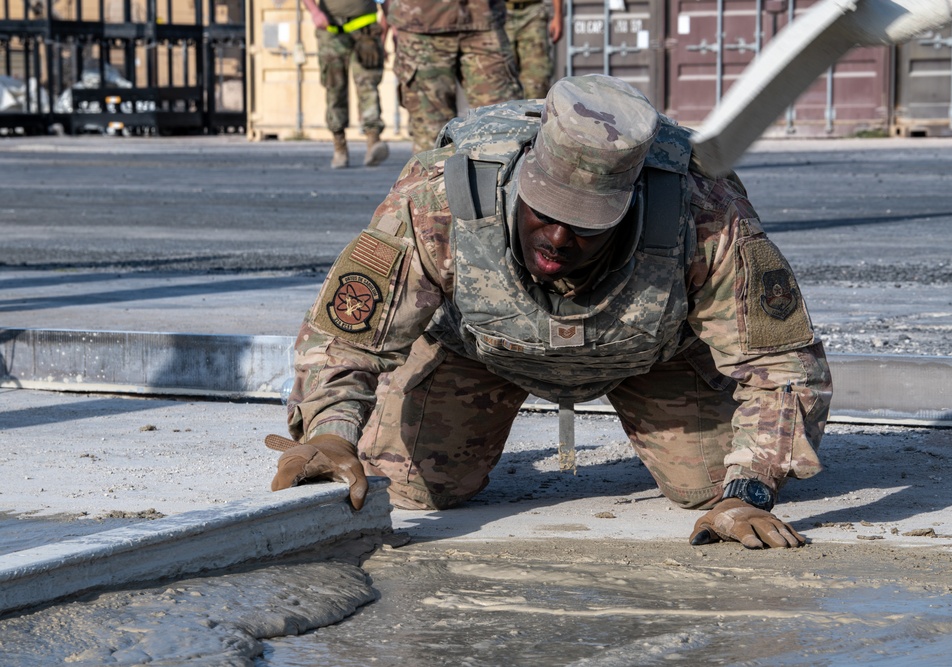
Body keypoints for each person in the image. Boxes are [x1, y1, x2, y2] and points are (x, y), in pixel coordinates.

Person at [267, 74, 833, 550]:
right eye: (544, 211)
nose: (559, 237)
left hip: (651, 356)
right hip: (477, 351)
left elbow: (782, 362)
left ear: (631, 203)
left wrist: (751, 487)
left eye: (588, 222)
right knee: (410, 484)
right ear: (521, 178)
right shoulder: (440, 196)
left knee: (714, 487)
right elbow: (345, 338)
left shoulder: (704, 212)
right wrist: (332, 432)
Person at [381, 0, 524, 154]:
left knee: (502, 128)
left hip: (483, 20)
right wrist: (391, 17)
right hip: (419, 23)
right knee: (432, 137)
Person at [300, 0, 389, 168]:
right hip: (332, 31)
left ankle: (373, 141)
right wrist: (314, 11)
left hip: (366, 32)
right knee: (335, 88)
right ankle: (339, 146)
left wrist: (386, 33)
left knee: (368, 85)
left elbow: (386, 3)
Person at [504, 0, 564, 100]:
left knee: (537, 83)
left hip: (533, 11)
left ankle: (534, 114)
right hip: (499, 12)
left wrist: (558, 15)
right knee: (500, 81)